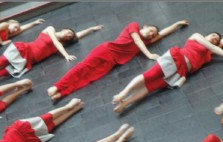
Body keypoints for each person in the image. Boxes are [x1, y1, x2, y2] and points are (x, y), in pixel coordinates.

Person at [46, 20, 189, 102]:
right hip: (105, 50)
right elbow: (137, 40)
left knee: (89, 78)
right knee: (82, 68)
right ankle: (57, 87)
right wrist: (149, 54)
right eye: (150, 29)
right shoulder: (134, 26)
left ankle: (62, 93)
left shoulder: (147, 40)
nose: (151, 33)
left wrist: (177, 24)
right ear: (145, 26)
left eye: (153, 33)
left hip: (112, 62)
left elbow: (163, 33)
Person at [112, 30, 223, 113]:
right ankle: (122, 94)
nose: (215, 38)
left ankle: (125, 103)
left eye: (217, 39)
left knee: (151, 87)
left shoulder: (210, 52)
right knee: (149, 76)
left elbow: (219, 45)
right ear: (207, 34)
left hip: (180, 72)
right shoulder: (197, 36)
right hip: (175, 59)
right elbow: (215, 47)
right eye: (213, 35)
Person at [0, 25, 104, 95]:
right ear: (64, 29)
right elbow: (56, 42)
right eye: (68, 32)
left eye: (69, 36)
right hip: (23, 50)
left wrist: (91, 29)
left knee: (0, 74)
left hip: (29, 62)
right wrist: (65, 55)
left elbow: (77, 35)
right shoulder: (51, 29)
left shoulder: (64, 42)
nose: (68, 35)